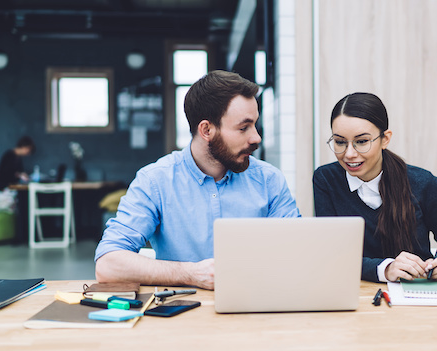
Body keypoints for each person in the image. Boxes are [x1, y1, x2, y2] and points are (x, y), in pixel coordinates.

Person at [95, 70, 301, 289]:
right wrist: (190, 274)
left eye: (255, 125)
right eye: (243, 128)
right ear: (206, 130)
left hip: (258, 307)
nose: (256, 138)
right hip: (182, 314)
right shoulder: (155, 181)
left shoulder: (269, 180)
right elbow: (107, 265)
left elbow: (298, 252)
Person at [313, 92, 437, 283]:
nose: (349, 153)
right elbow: (332, 255)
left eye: (362, 141)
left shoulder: (424, 183)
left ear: (385, 139)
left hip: (416, 293)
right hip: (356, 295)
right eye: (340, 142)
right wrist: (386, 269)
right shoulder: (326, 179)